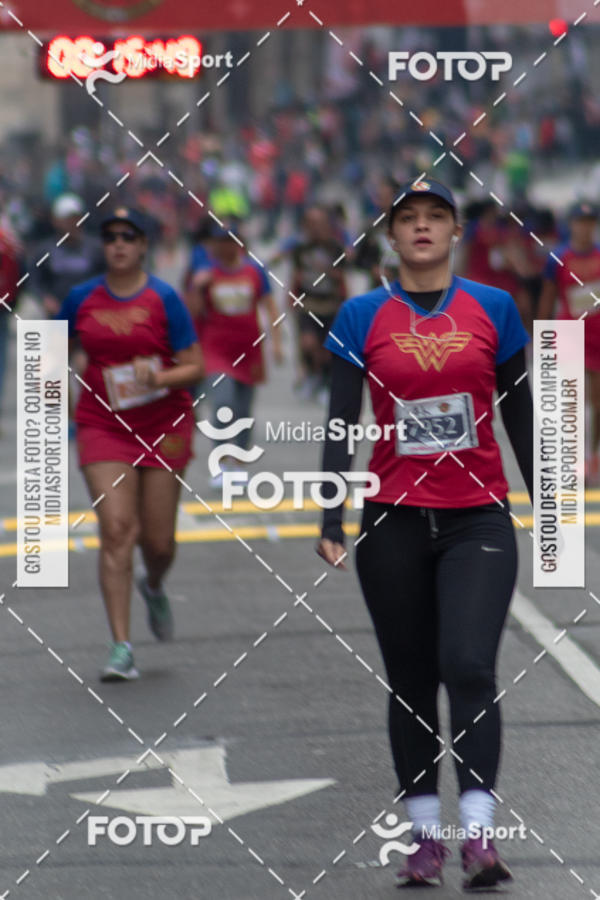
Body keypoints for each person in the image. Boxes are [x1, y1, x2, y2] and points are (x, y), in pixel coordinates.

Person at [316, 179, 533, 889]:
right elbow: (342, 422)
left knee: (468, 665)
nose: (421, 228)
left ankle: (479, 836)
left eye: (435, 217)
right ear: (391, 235)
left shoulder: (494, 308)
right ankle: (424, 840)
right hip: (393, 521)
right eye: (407, 219)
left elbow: (523, 414)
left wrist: (554, 506)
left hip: (478, 517)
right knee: (411, 681)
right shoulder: (359, 315)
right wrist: (330, 518)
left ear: (453, 232)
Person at [57, 207, 204, 682]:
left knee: (157, 542)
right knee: (118, 529)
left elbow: (195, 366)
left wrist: (158, 375)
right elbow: (50, 352)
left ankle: (154, 583)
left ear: (143, 246)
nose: (118, 243)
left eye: (128, 236)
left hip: (164, 423)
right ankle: (120, 646)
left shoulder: (165, 299)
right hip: (104, 425)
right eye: (110, 236)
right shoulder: (80, 298)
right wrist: (58, 383)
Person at [186, 219, 283, 486]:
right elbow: (192, 313)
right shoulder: (205, 274)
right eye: (220, 241)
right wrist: (197, 287)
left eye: (230, 241)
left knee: (243, 410)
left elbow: (270, 307)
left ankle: (237, 461)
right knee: (222, 404)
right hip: (215, 350)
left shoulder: (254, 272)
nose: (224, 247)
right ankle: (220, 462)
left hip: (249, 350)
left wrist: (276, 343)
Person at [538, 202, 600, 482]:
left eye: (589, 222)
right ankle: (575, 459)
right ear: (571, 224)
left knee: (597, 402)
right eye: (579, 221)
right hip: (569, 333)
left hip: (597, 333)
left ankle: (593, 455)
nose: (584, 227)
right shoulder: (558, 258)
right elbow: (548, 297)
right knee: (572, 400)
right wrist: (543, 335)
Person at [289, 206, 346, 401]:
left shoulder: (335, 248)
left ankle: (324, 382)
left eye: (318, 223)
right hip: (308, 303)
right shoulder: (301, 249)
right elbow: (296, 274)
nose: (314, 228)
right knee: (308, 342)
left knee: (327, 349)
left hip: (330, 304)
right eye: (310, 223)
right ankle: (310, 376)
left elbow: (342, 278)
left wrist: (345, 302)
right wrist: (290, 297)